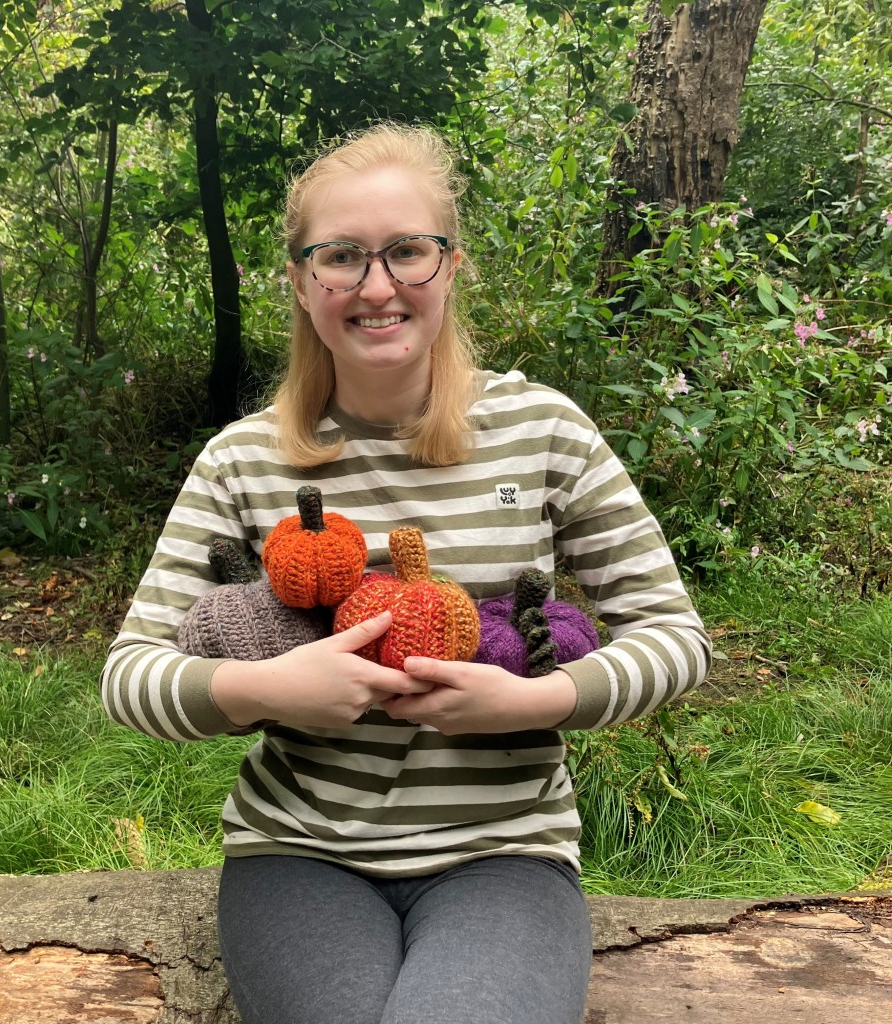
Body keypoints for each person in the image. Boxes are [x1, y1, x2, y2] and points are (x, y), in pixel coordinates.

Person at [100, 122, 711, 1024]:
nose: (377, 286)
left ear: (451, 265)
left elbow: (676, 637)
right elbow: (129, 676)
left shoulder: (544, 431)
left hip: (504, 854)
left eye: (407, 252)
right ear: (301, 282)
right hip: (296, 857)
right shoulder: (242, 462)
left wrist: (538, 702)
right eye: (341, 256)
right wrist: (264, 689)